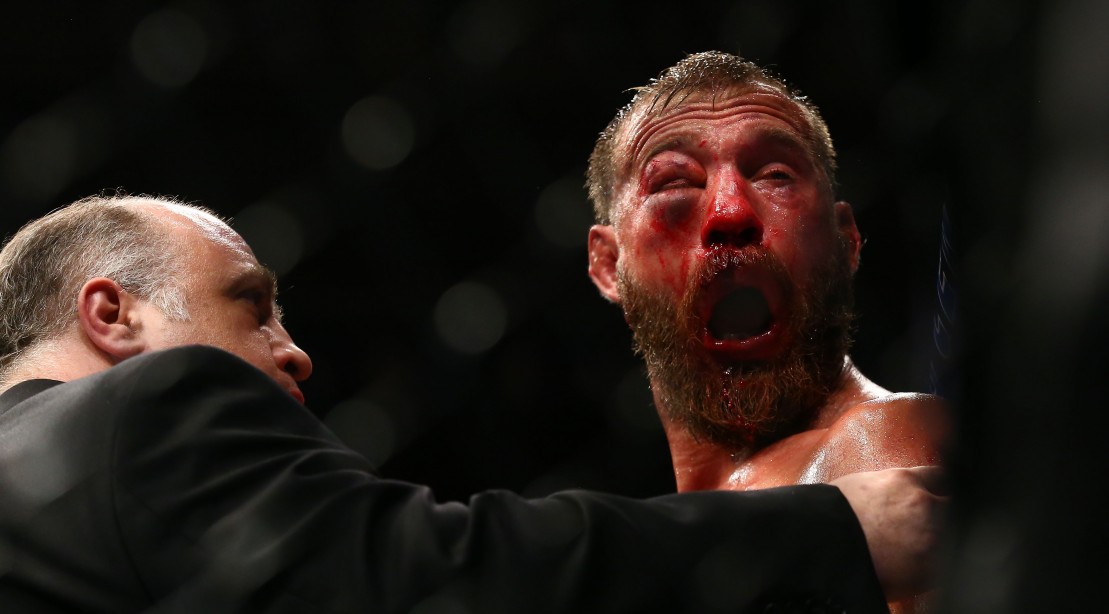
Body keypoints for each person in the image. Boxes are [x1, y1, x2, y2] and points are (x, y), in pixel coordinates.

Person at [0, 194, 941, 612]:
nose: (295, 351)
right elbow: (429, 573)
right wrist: (833, 529)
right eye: (250, 307)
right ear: (112, 315)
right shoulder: (143, 410)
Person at [584, 51, 949, 613]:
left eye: (775, 175)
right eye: (675, 183)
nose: (731, 211)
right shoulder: (663, 543)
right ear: (610, 266)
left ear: (846, 239)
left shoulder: (884, 442)